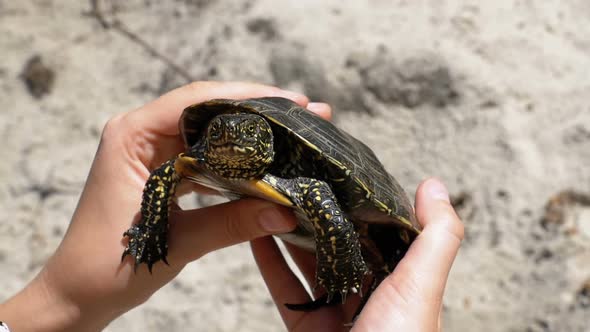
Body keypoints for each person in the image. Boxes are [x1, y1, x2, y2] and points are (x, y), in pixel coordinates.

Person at [0, 81, 464, 331]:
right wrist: (146, 231)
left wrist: (59, 302)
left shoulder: (300, 175)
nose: (225, 139)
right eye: (218, 133)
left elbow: (321, 193)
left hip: (344, 206)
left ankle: (347, 276)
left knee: (358, 224)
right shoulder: (197, 158)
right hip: (286, 211)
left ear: (263, 144)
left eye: (241, 136)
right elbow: (166, 172)